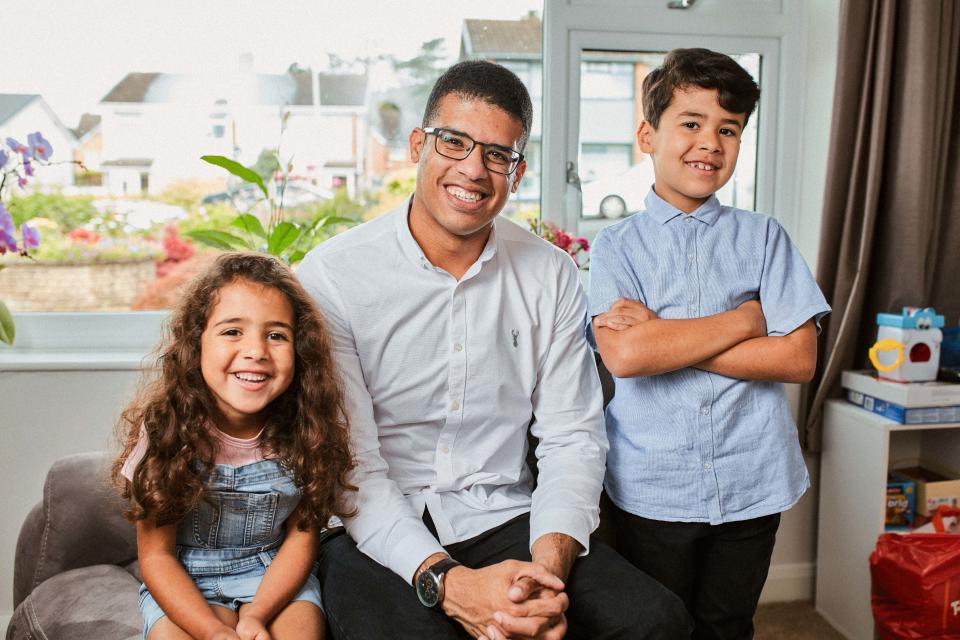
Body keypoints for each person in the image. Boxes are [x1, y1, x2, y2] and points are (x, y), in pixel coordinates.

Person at [297, 60, 690, 640]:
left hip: (503, 515)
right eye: (454, 142)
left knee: (656, 621)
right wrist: (450, 585)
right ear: (417, 145)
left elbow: (572, 438)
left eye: (497, 155)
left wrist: (542, 577)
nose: (473, 170)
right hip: (375, 526)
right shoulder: (333, 276)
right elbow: (353, 471)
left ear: (518, 171)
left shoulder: (551, 273)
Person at [589, 48, 832, 639]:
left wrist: (666, 335)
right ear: (648, 135)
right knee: (657, 625)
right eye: (691, 124)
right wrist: (748, 320)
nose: (710, 143)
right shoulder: (615, 247)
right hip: (652, 486)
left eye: (729, 130)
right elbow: (627, 355)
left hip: (753, 479)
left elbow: (797, 359)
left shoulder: (765, 236)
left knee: (728, 625)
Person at [112, 252, 355, 640]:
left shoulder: (308, 429)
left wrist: (256, 616)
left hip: (273, 576)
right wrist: (212, 631)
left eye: (276, 335)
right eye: (232, 331)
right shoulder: (165, 430)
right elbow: (156, 556)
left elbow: (300, 537)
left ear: (300, 350)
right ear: (196, 343)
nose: (256, 351)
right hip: (186, 577)